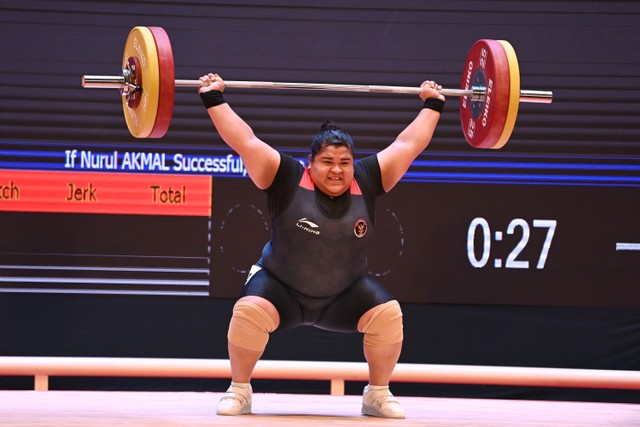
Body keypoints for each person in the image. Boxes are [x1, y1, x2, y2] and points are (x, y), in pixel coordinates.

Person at [198, 73, 445, 419]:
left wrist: (433, 104)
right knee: (249, 311)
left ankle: (377, 395)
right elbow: (246, 141)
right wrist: (214, 99)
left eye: (344, 163)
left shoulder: (367, 179)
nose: (337, 171)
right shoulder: (285, 176)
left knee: (388, 315)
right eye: (327, 162)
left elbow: (408, 145)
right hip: (280, 290)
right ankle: (239, 390)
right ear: (310, 162)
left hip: (343, 296)